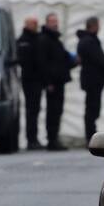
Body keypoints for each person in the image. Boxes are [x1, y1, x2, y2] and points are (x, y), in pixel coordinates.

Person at [37, 13, 75, 151]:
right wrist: (48, 82)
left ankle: (54, 138)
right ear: (47, 22)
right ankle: (51, 140)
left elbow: (63, 59)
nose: (55, 24)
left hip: (59, 81)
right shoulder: (45, 40)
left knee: (57, 111)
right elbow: (42, 63)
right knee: (52, 111)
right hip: (52, 82)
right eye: (52, 21)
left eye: (56, 21)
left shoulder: (55, 40)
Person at [76, 16, 104, 144]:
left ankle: (90, 133)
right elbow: (99, 59)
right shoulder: (89, 41)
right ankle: (90, 134)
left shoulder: (86, 41)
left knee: (92, 108)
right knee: (92, 108)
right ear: (94, 26)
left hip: (91, 79)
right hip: (93, 80)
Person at [17, 16, 43, 149]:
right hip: (30, 80)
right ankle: (31, 139)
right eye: (34, 23)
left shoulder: (36, 38)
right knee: (31, 110)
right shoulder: (24, 40)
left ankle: (34, 138)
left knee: (35, 110)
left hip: (37, 80)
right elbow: (26, 61)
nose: (36, 26)